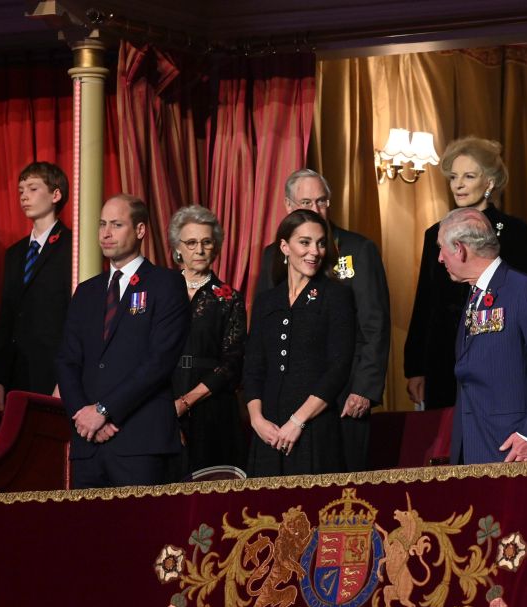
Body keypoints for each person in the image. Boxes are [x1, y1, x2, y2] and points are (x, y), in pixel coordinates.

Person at [257, 169, 390, 472]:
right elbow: (265, 327)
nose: (316, 209)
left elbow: (374, 324)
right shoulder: (273, 255)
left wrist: (365, 388)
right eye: (306, 202)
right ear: (289, 206)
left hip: (345, 393)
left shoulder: (358, 249)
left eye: (321, 201)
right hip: (290, 392)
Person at [55, 195, 190, 488]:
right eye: (102, 224)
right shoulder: (86, 291)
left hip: (140, 442)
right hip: (88, 443)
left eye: (116, 225)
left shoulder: (166, 284)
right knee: (87, 532)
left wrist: (104, 411)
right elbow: (67, 360)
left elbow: (159, 361)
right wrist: (83, 415)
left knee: (144, 533)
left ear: (140, 230)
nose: (106, 233)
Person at [405, 136, 527, 410]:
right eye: (454, 177)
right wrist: (415, 367)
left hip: (498, 352)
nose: (459, 184)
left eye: (468, 176)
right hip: (443, 356)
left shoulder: (514, 232)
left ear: (489, 182)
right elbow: (425, 301)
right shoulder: (435, 233)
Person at [438, 208, 527, 464]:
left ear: (460, 249)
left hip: (514, 449)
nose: (440, 258)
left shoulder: (524, 291)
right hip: (474, 443)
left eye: (442, 248)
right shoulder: (474, 294)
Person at [244, 209, 355, 477]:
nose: (314, 251)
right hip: (268, 431)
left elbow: (339, 368)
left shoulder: (336, 295)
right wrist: (257, 420)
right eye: (304, 242)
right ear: (285, 247)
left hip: (314, 428)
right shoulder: (267, 301)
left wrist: (298, 421)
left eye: (320, 243)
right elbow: (253, 367)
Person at [167, 205, 247, 474]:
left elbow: (232, 365)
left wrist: (186, 401)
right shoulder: (160, 292)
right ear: (178, 248)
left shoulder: (229, 298)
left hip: (212, 407)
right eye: (191, 243)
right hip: (163, 401)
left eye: (206, 242)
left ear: (216, 247)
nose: (199, 250)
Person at [0, 162, 71, 413]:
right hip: (17, 374)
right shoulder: (15, 253)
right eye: (21, 190)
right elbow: (8, 318)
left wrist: (67, 378)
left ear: (55, 194)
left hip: (54, 372)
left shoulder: (73, 247)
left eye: (33, 188)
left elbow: (77, 317)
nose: (24, 195)